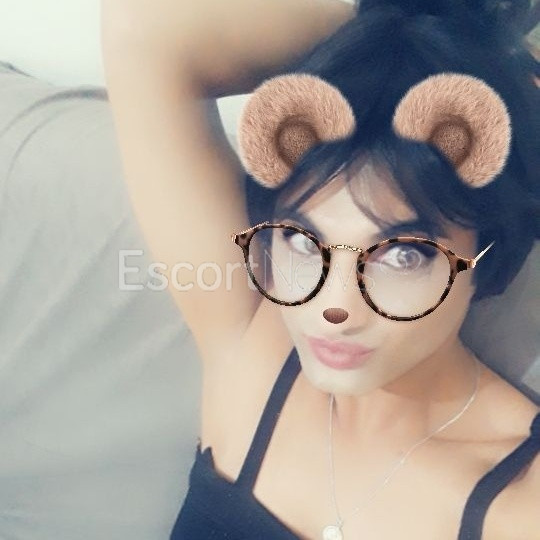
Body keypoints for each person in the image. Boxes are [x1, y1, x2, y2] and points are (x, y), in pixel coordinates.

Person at [101, 0, 540, 538]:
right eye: (301, 240)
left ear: (487, 255)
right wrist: (414, 24)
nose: (334, 307)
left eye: (401, 255)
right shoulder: (254, 348)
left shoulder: (521, 501)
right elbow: (141, 29)